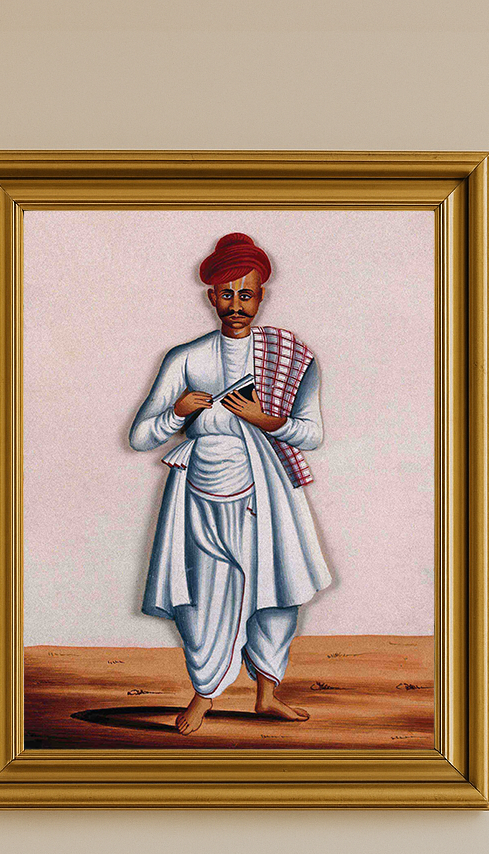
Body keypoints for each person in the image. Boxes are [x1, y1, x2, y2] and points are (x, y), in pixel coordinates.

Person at [129, 232, 331, 734]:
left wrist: (267, 421)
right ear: (210, 297)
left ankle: (267, 693)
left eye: (246, 294)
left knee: (275, 590)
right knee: (199, 598)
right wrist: (176, 413)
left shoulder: (291, 357)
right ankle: (205, 693)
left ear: (261, 296)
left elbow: (311, 434)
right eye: (226, 294)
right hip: (197, 495)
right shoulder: (185, 358)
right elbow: (139, 437)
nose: (236, 304)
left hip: (266, 492)